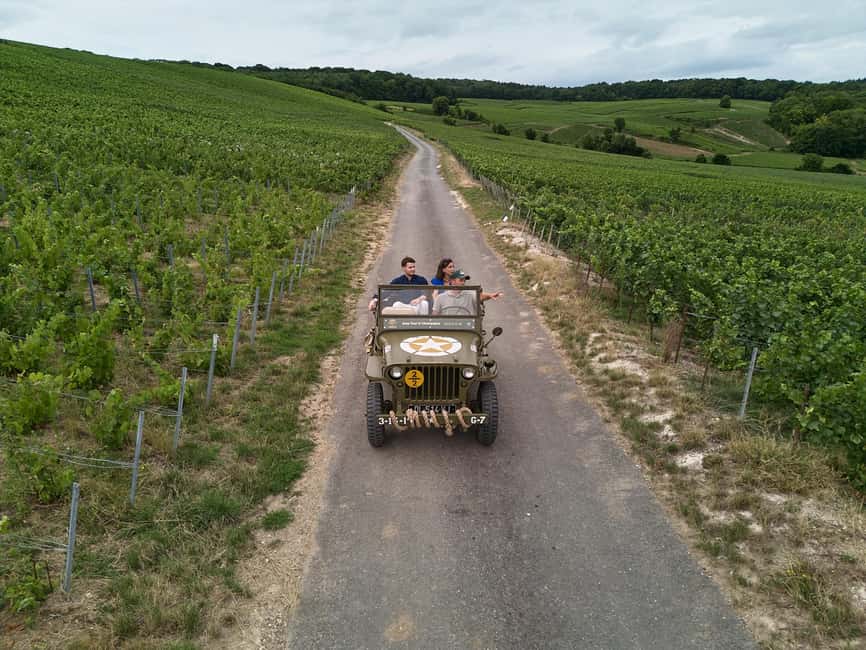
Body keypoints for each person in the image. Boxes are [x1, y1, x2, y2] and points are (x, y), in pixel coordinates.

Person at [432, 269, 503, 315]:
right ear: (452, 281)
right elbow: (434, 316)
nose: (463, 282)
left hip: (468, 328)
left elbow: (480, 297)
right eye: (461, 280)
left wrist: (489, 295)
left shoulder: (470, 294)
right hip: (448, 330)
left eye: (464, 280)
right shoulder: (441, 297)